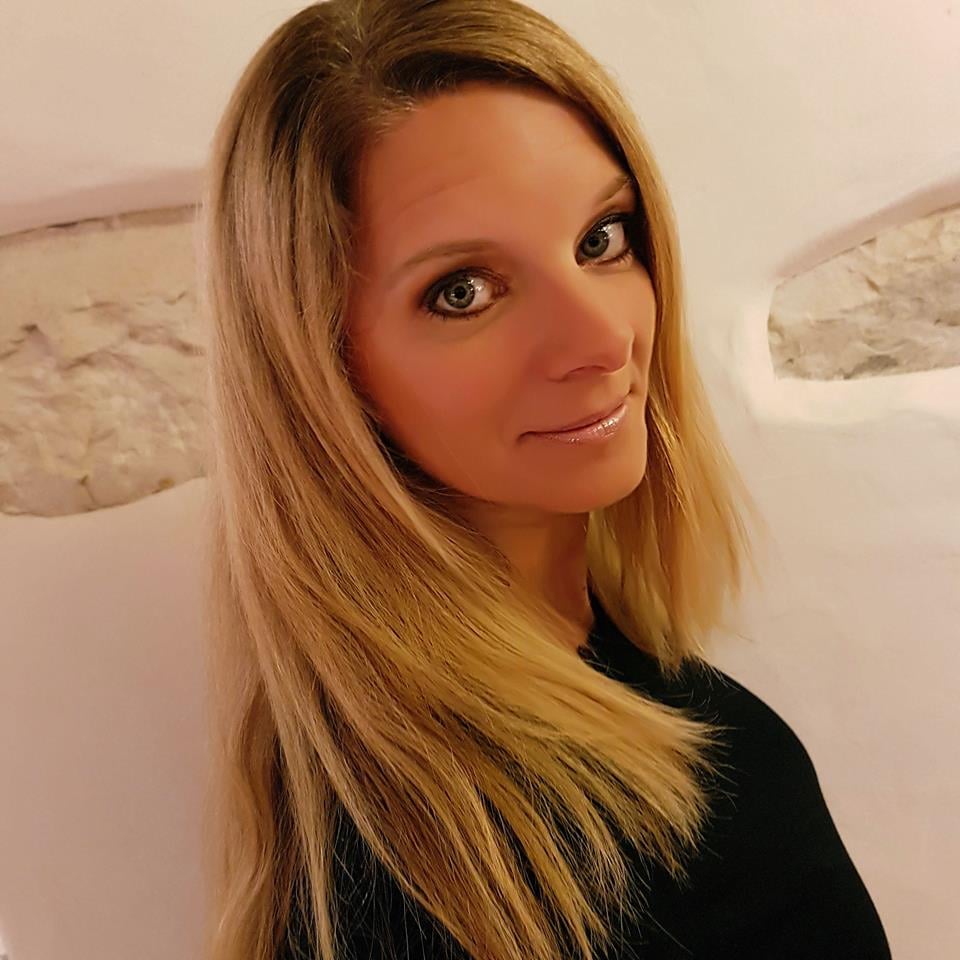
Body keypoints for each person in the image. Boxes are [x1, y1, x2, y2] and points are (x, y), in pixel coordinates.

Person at [197, 1, 892, 958]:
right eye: (464, 292)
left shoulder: (585, 698)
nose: (601, 339)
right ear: (320, 372)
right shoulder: (439, 873)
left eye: (602, 238)